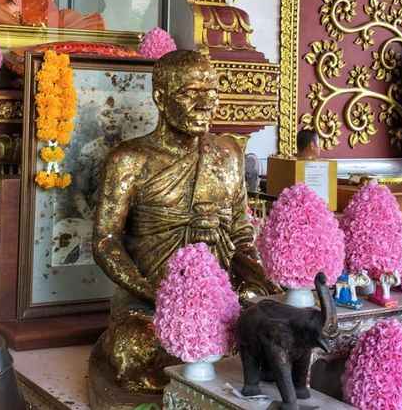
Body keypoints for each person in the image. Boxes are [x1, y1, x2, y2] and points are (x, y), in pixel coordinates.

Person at [91, 50, 276, 393]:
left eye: (211, 93)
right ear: (160, 98)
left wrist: (264, 281)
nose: (206, 104)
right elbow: (105, 241)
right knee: (133, 347)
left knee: (272, 327)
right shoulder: (130, 160)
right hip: (151, 303)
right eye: (191, 93)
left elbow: (239, 232)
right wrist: (154, 293)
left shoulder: (228, 154)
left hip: (221, 296)